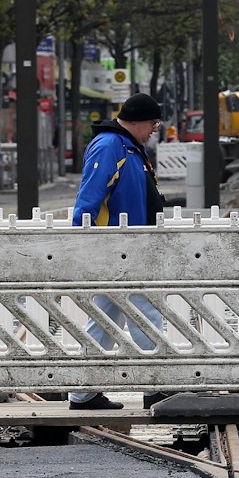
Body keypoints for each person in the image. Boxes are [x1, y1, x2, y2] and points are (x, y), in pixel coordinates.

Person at [68, 93, 165, 411]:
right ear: (137, 121)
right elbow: (89, 197)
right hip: (117, 248)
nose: (154, 129)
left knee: (103, 319)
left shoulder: (127, 147)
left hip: (125, 245)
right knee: (144, 313)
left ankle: (84, 393)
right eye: (152, 123)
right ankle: (158, 387)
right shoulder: (111, 146)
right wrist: (82, 242)